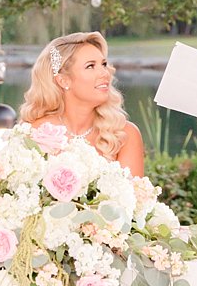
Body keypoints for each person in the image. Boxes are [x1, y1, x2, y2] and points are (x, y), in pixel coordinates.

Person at [21, 32, 145, 177]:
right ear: (63, 80)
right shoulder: (35, 133)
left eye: (103, 64)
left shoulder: (124, 135)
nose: (105, 73)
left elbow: (133, 198)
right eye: (90, 66)